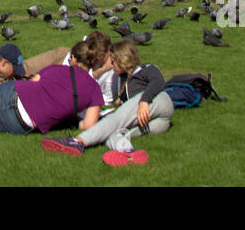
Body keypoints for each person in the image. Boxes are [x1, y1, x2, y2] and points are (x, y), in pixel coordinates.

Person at [41, 38, 173, 163]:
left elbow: (158, 81)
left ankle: (78, 141)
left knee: (117, 119)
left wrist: (144, 100)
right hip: (156, 122)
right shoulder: (122, 80)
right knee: (114, 132)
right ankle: (128, 152)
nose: (111, 65)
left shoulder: (146, 69)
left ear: (122, 60)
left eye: (113, 61)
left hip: (160, 102)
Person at [0, 38, 104, 135]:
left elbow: (33, 83)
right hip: (15, 125)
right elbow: (88, 125)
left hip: (12, 95)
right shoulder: (94, 90)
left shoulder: (55, 69)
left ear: (73, 58)